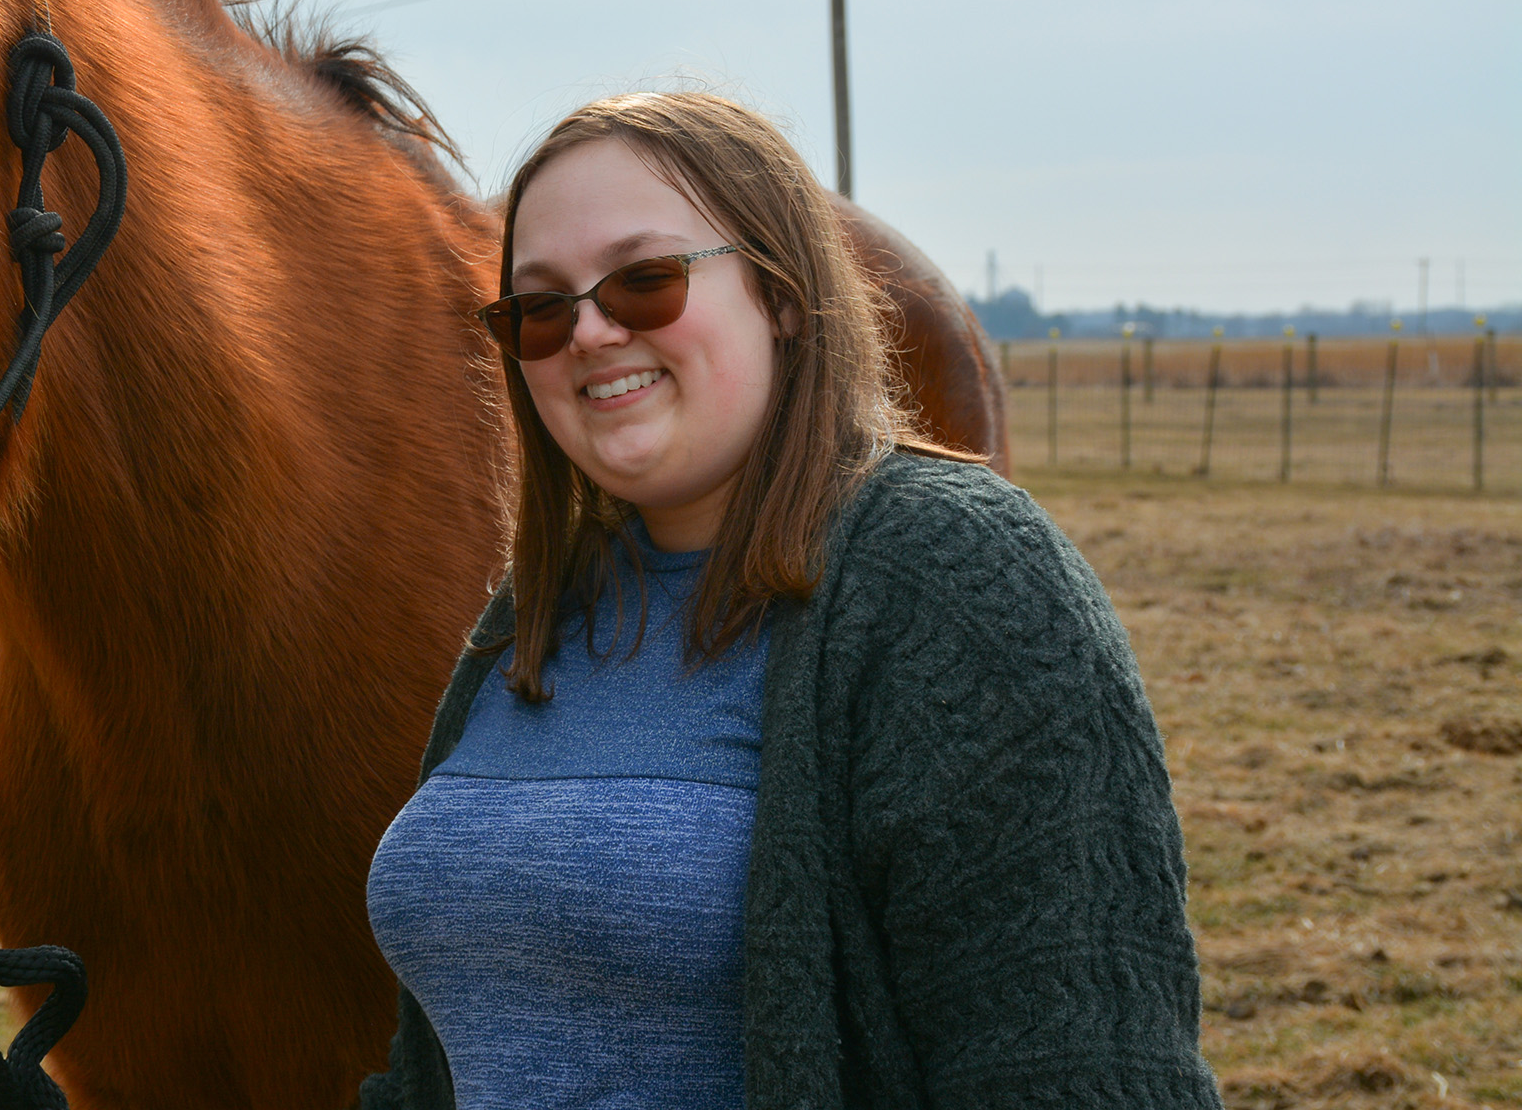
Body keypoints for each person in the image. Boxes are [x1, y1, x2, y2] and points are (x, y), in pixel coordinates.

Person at [359, 92, 1219, 1110]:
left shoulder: (959, 582)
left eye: (644, 281)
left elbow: (1080, 1075)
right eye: (538, 308)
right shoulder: (538, 611)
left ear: (777, 293)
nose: (587, 332)